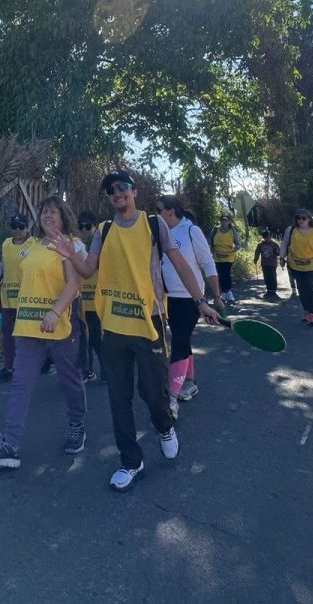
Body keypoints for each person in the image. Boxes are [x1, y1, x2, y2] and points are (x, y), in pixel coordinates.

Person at [55, 170, 221, 493]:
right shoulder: (103, 231)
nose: (117, 193)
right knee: (119, 398)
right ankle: (131, 461)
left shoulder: (154, 226)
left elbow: (181, 264)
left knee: (153, 395)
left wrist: (201, 300)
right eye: (111, 191)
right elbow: (89, 268)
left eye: (122, 188)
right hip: (113, 328)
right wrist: (69, 253)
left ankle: (164, 427)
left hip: (150, 323)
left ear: (133, 191)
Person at [0, 197, 87, 469]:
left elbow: (74, 283)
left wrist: (55, 312)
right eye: (44, 212)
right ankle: (10, 444)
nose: (47, 216)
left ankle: (77, 425)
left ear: (64, 217)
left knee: (69, 379)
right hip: (27, 327)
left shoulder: (70, 245)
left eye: (53, 212)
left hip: (59, 326)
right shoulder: (33, 246)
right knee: (20, 384)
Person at [155, 195, 224, 415]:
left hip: (190, 298)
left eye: (159, 210)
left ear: (171, 211)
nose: (155, 214)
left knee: (179, 340)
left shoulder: (191, 231)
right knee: (181, 338)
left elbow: (207, 263)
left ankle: (172, 396)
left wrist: (216, 296)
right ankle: (190, 381)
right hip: (168, 297)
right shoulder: (161, 233)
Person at [0, 214, 33, 384]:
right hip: (8, 298)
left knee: (28, 337)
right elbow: (2, 270)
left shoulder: (33, 245)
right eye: (14, 227)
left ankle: (30, 366)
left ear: (27, 228)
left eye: (21, 227)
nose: (17, 230)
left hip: (27, 299)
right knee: (8, 335)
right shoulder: (6, 244)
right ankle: (9, 367)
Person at [279, 209, 313, 327]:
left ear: (309, 219)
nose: (300, 220)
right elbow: (284, 244)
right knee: (302, 290)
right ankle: (306, 312)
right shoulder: (291, 230)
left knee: (310, 288)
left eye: (303, 218)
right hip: (295, 264)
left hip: (312, 265)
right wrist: (282, 257)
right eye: (298, 218)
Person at [76, 209, 103, 382]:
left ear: (94, 225)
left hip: (97, 300)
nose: (84, 230)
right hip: (81, 299)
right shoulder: (77, 244)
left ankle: (107, 371)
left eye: (87, 226)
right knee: (82, 339)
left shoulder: (101, 242)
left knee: (96, 339)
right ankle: (87, 371)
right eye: (81, 226)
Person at [210, 214, 241, 306]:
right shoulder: (215, 230)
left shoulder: (232, 231)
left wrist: (234, 249)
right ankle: (223, 292)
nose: (224, 222)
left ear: (229, 222)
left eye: (226, 220)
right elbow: (210, 242)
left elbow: (238, 244)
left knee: (227, 274)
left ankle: (229, 291)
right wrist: (211, 250)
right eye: (222, 220)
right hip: (217, 256)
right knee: (220, 274)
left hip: (228, 256)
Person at [254, 230, 280, 299]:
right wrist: (255, 259)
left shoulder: (274, 244)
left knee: (273, 276)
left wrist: (277, 252)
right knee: (266, 276)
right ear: (263, 237)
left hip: (272, 263)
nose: (267, 238)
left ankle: (273, 290)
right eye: (266, 237)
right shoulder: (260, 244)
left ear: (270, 236)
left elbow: (279, 253)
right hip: (264, 263)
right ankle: (269, 289)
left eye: (268, 237)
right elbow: (257, 252)